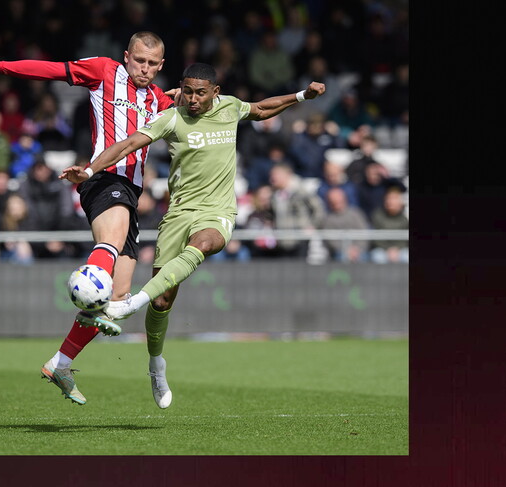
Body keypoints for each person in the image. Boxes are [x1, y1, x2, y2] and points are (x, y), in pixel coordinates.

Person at [62, 63, 325, 408]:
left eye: (201, 92)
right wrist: (89, 171)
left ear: (215, 92)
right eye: (187, 91)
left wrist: (303, 95)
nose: (193, 98)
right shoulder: (172, 118)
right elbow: (128, 144)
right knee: (162, 302)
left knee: (204, 243)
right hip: (178, 214)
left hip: (217, 211)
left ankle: (130, 304)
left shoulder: (230, 107)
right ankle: (156, 364)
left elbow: (262, 109)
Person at [0, 31, 176, 405]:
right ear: (126, 56)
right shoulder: (104, 71)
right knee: (110, 245)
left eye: (151, 63)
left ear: (161, 66)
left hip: (131, 190)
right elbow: (49, 70)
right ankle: (84, 286)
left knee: (118, 297)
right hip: (101, 177)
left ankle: (61, 363)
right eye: (139, 60)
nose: (144, 68)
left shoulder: (159, 99)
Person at [320, 187, 370, 263]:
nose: (337, 203)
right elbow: (331, 241)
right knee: (341, 257)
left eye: (339, 200)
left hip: (359, 251)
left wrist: (357, 249)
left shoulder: (356, 214)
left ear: (344, 199)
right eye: (333, 201)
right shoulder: (328, 219)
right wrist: (346, 250)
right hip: (339, 253)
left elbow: (364, 233)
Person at [369, 186, 409, 264]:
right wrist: (388, 249)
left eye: (394, 199)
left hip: (400, 250)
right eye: (388, 198)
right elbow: (375, 237)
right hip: (382, 249)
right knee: (378, 257)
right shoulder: (377, 216)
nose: (390, 202)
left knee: (406, 256)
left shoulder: (405, 219)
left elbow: (405, 239)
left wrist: (397, 249)